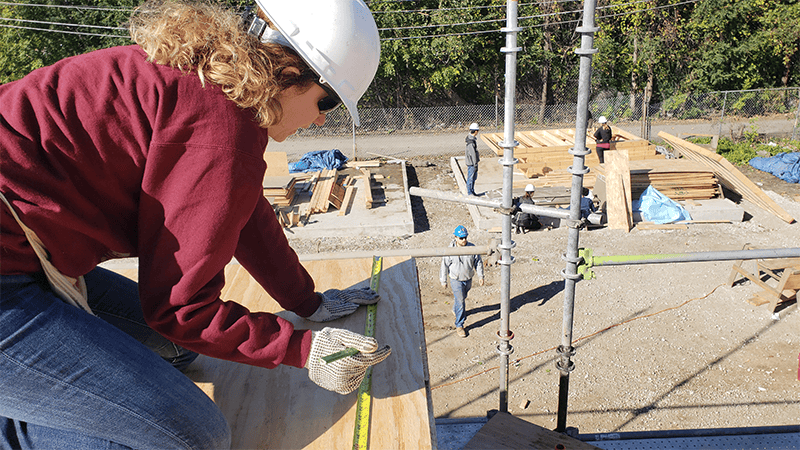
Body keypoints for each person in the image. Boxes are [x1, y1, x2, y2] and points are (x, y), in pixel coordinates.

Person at [0, 0, 390, 448]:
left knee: (176, 349)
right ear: (288, 75)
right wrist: (302, 349)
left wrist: (307, 301)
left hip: (24, 258)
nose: (322, 119)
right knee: (190, 436)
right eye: (329, 102)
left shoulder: (204, 82)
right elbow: (181, 310)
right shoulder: (220, 129)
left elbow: (243, 212)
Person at [440, 226, 484, 338]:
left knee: (462, 297)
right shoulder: (450, 250)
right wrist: (443, 280)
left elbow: (478, 262)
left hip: (468, 278)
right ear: (455, 237)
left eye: (465, 237)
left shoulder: (472, 248)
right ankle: (459, 325)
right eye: (461, 238)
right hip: (455, 279)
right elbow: (444, 265)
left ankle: (456, 309)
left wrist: (480, 276)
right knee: (460, 301)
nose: (464, 240)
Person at [465, 122, 481, 196]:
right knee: (471, 178)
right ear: (476, 131)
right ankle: (470, 192)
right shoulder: (471, 143)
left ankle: (472, 190)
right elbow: (473, 154)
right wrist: (475, 164)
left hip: (471, 162)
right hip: (471, 163)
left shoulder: (470, 139)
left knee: (473, 178)